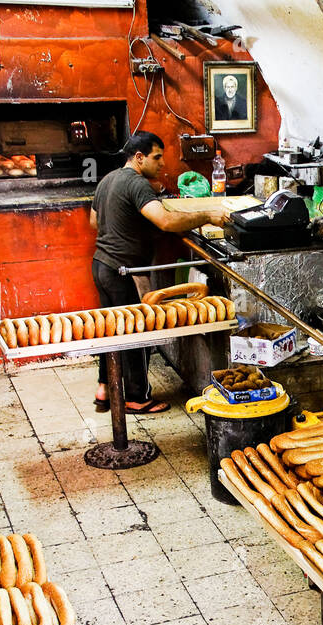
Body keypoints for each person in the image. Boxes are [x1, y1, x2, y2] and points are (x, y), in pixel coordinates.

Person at [89, 131, 232, 413]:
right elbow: (166, 221)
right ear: (139, 158)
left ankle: (104, 390)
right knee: (133, 333)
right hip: (122, 270)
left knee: (110, 332)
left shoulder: (108, 179)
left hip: (101, 264)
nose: (162, 164)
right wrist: (207, 215)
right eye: (156, 157)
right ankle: (137, 397)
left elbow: (94, 221)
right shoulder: (137, 183)